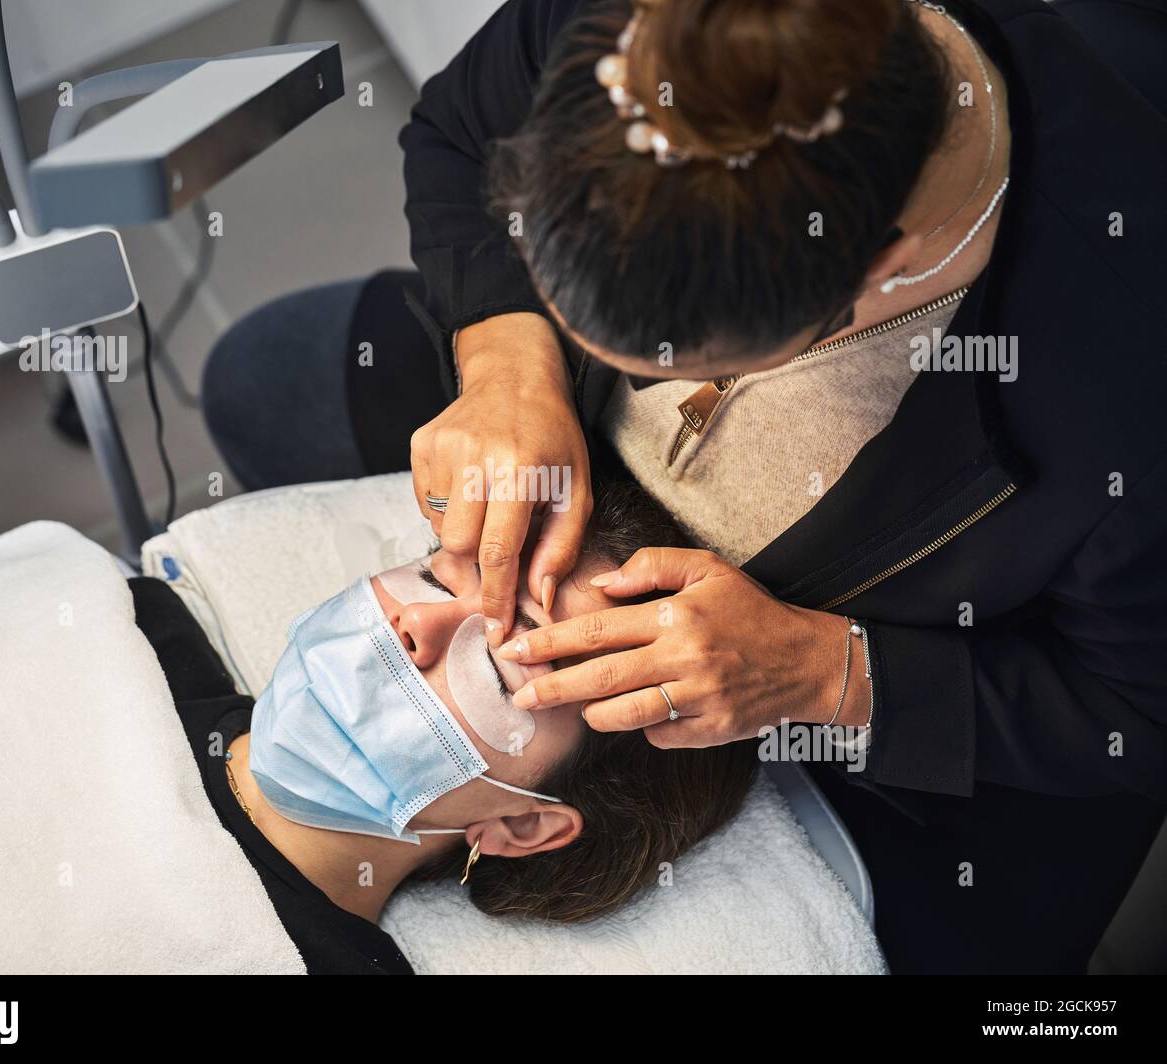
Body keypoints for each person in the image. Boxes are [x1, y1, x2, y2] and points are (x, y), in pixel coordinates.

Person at [202, 0, 1167, 972]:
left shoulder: (1124, 391)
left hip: (912, 673)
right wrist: (508, 364)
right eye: (442, 578)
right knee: (262, 376)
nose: (639, 398)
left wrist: (831, 673)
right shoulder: (652, 32)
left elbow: (1138, 714)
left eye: (663, 371)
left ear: (876, 275)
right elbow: (458, 129)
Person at [134, 482, 758, 973]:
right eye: (435, 577)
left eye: (494, 664)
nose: (413, 623)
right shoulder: (133, 630)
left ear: (524, 824)